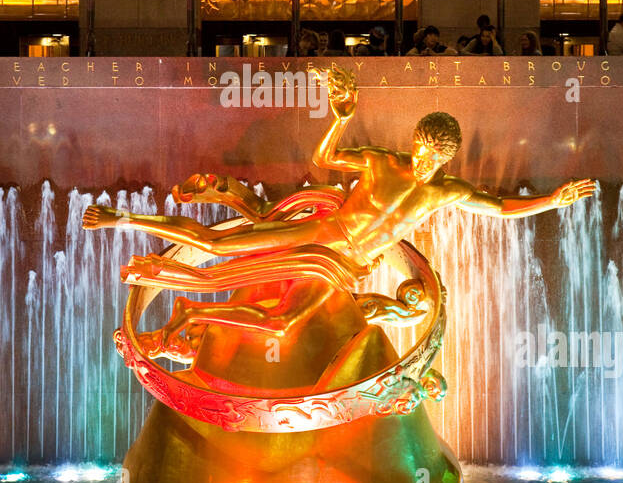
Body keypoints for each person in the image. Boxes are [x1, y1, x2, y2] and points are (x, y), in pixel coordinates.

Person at [83, 68, 596, 360]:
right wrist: (340, 118)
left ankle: (179, 336)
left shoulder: (448, 191)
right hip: (323, 232)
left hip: (348, 268)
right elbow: (324, 162)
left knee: (288, 325)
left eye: (431, 159)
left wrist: (553, 199)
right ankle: (123, 220)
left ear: (445, 160)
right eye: (418, 151)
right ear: (414, 143)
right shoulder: (380, 161)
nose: (421, 163)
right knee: (219, 246)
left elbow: (502, 208)